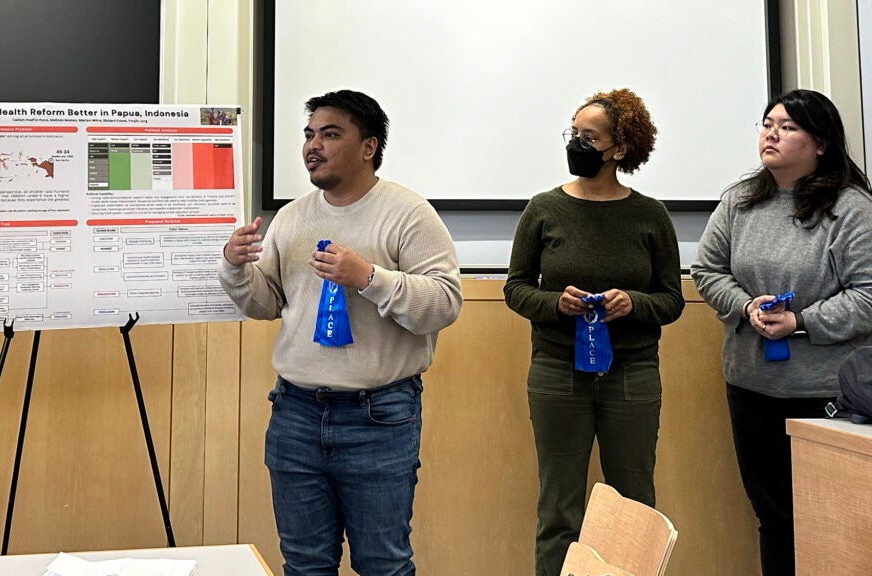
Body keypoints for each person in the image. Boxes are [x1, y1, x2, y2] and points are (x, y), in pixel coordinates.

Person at [219, 89, 462, 576]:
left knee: (382, 565)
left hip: (379, 418)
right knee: (305, 564)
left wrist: (368, 278)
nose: (314, 145)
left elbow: (444, 304)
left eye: (330, 134)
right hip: (295, 415)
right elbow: (265, 305)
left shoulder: (408, 213)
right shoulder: (291, 216)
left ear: (368, 147)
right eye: (309, 135)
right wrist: (235, 268)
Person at [691, 89, 872, 575]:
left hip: (832, 398)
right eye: (767, 123)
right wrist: (745, 307)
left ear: (822, 143)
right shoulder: (740, 201)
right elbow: (707, 271)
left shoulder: (853, 210)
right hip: (753, 388)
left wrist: (801, 322)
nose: (771, 133)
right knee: (774, 518)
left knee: (835, 524)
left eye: (788, 127)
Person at [503, 88, 684, 576]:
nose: (576, 144)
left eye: (590, 137)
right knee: (559, 506)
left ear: (619, 149)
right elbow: (516, 290)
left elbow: (672, 301)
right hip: (558, 372)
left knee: (634, 506)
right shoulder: (543, 209)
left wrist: (634, 303)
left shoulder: (650, 215)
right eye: (573, 133)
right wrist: (556, 304)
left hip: (632, 375)